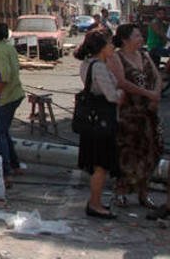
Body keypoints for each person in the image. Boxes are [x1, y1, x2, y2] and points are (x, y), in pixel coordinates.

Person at [108, 23, 163, 209]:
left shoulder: (144, 55)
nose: (141, 39)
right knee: (127, 153)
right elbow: (122, 82)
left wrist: (156, 94)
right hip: (129, 113)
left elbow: (157, 77)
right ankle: (121, 192)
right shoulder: (117, 57)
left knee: (150, 151)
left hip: (148, 113)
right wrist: (147, 94)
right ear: (125, 39)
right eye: (137, 36)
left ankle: (143, 192)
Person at [74, 29, 122, 219]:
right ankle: (95, 204)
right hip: (101, 120)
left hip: (92, 120)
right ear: (102, 47)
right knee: (101, 165)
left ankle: (96, 201)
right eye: (110, 44)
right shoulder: (99, 67)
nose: (113, 47)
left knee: (96, 164)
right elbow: (111, 94)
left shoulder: (88, 63)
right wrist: (121, 95)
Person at [0, 21, 24, 182]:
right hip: (15, 93)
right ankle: (15, 165)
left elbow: (4, 76)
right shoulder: (9, 47)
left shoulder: (0, 51)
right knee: (4, 131)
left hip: (7, 96)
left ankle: (6, 170)